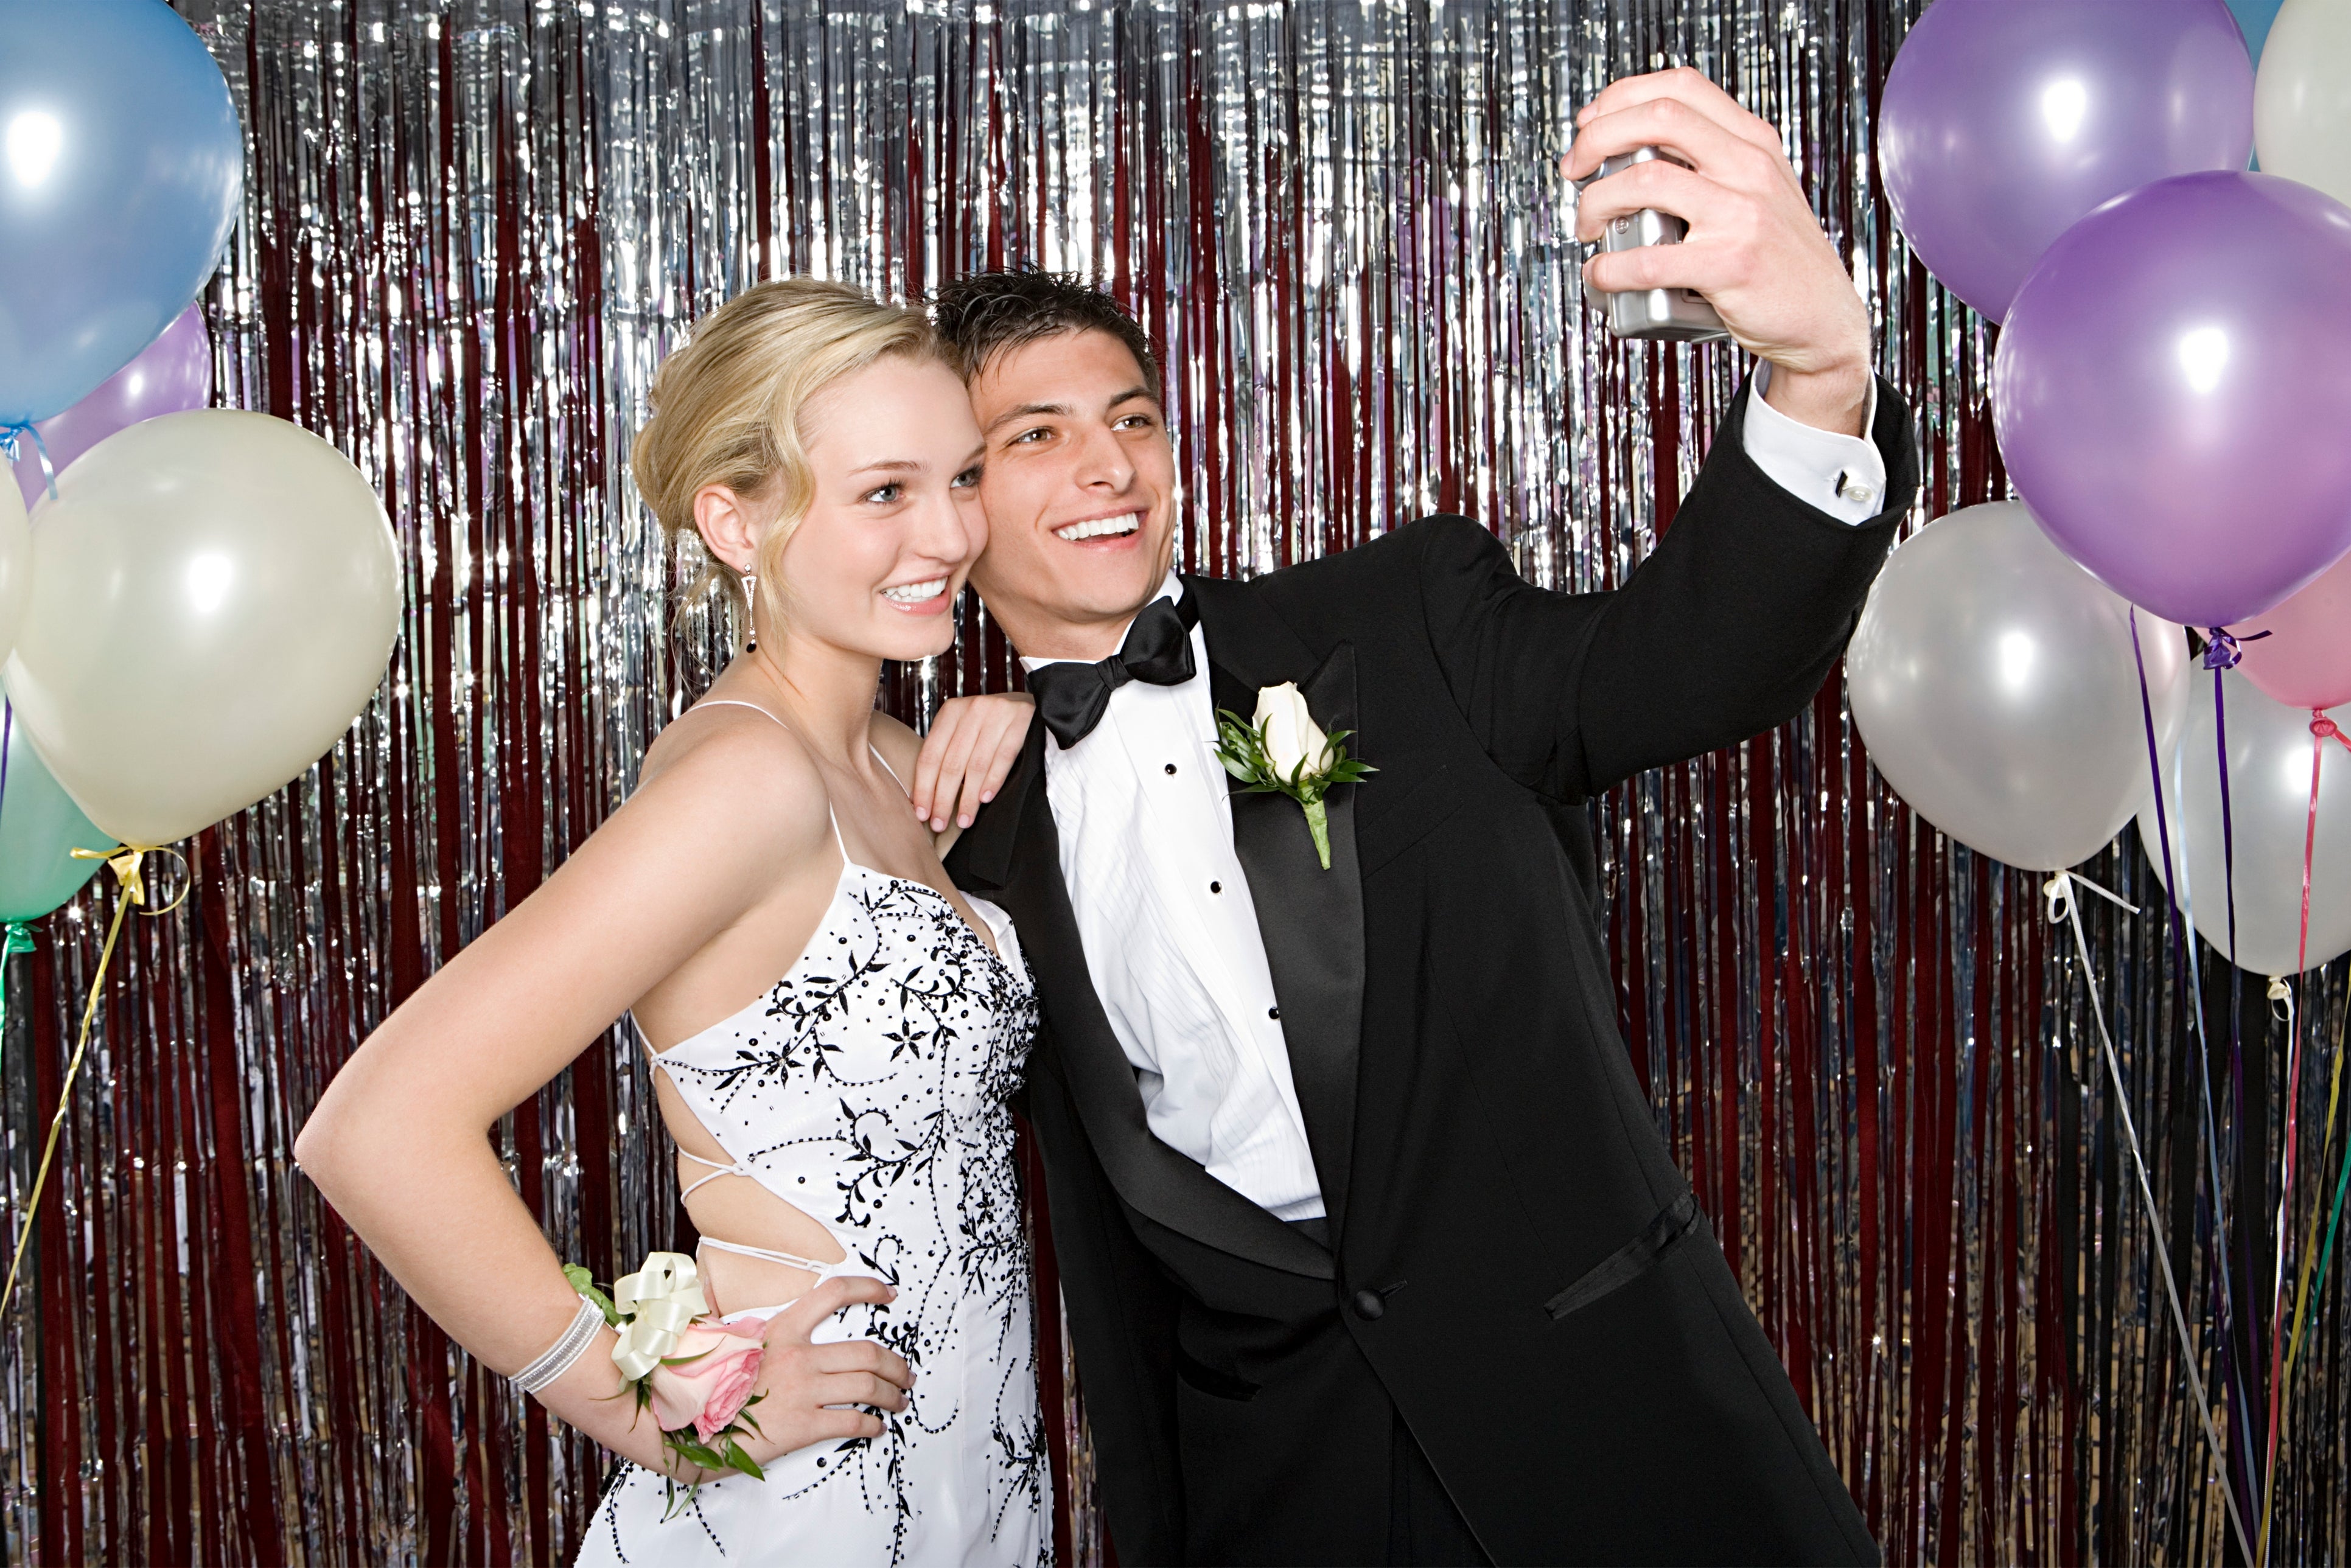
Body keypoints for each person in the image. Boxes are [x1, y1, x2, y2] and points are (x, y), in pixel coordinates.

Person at [907, 69, 1919, 1565]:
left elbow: (1671, 672)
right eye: (1038, 435)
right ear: (955, 494)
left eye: (1130, 416)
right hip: (1279, 1487)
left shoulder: (1400, 621)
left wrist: (1822, 379)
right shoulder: (969, 828)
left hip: (1605, 1429)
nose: (1110, 465)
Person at [296, 279, 1050, 1567]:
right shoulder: (744, 783)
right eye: (884, 491)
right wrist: (646, 1406)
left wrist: (1047, 721)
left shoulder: (885, 749)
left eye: (964, 476)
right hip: (813, 1502)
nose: (950, 530)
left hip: (971, 1470)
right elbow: (373, 1128)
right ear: (734, 519)